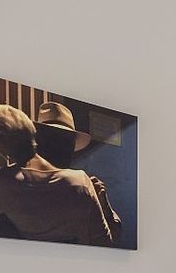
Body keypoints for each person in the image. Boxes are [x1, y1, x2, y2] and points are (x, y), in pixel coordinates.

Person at [0, 105, 112, 247]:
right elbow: (104, 242)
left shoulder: (2, 182)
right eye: (58, 140)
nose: (63, 147)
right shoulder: (80, 182)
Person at [34, 102, 122, 242]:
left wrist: (103, 203)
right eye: (56, 140)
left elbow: (113, 236)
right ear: (41, 142)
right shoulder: (24, 183)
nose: (63, 148)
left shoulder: (83, 185)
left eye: (67, 142)